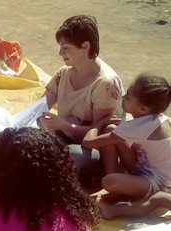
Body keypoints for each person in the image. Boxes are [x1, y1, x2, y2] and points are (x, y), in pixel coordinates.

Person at [39, 14, 124, 182]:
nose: (60, 53)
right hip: (63, 137)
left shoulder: (105, 83)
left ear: (85, 46)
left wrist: (66, 126)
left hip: (91, 146)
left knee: (66, 157)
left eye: (66, 48)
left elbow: (100, 132)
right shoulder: (64, 73)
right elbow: (40, 107)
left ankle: (93, 173)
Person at [83, 74, 171, 217]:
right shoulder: (156, 117)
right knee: (112, 131)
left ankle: (112, 190)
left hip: (161, 185)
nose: (123, 96)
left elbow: (88, 143)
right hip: (144, 169)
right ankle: (114, 189)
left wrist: (97, 123)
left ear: (143, 109)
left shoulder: (143, 125)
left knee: (109, 181)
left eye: (128, 97)